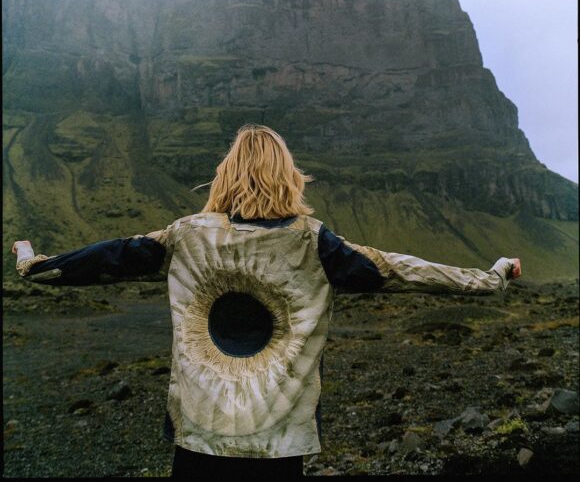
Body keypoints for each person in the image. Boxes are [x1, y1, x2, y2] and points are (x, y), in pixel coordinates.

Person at [13, 124, 522, 479]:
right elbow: (398, 269)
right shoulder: (313, 242)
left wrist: (32, 263)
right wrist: (491, 277)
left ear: (225, 174)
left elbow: (108, 257)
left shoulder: (185, 235)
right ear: (288, 175)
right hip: (278, 439)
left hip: (201, 433)